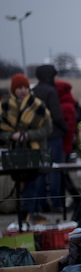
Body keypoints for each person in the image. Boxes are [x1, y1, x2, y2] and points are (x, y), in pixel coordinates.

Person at [0, 73, 52, 215]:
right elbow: (1, 131)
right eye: (19, 88)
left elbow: (47, 128)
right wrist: (12, 136)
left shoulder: (38, 106)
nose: (23, 90)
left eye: (25, 87)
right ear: (13, 89)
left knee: (33, 185)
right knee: (19, 186)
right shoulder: (4, 107)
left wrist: (28, 135)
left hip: (35, 152)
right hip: (14, 154)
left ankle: (29, 216)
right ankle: (24, 218)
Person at [32, 64, 67, 211]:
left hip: (37, 137)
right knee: (55, 169)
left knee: (40, 170)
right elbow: (57, 115)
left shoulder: (32, 91)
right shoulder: (50, 91)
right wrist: (66, 128)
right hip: (53, 135)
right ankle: (57, 203)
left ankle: (41, 202)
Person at [55, 79, 78, 160]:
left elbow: (69, 127)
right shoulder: (67, 104)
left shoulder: (65, 106)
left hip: (63, 144)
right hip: (65, 144)